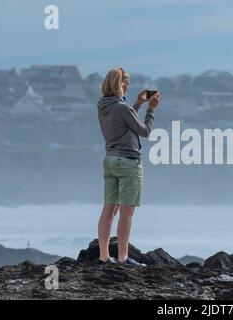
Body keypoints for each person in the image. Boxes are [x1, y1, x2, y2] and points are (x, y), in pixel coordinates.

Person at [96, 67, 160, 266]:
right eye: (126, 83)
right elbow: (144, 131)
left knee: (108, 209)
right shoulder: (122, 108)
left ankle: (104, 256)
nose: (128, 87)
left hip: (110, 160)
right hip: (128, 162)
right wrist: (151, 109)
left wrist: (138, 104)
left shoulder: (102, 105)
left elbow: (124, 119)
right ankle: (123, 257)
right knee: (126, 211)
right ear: (120, 85)